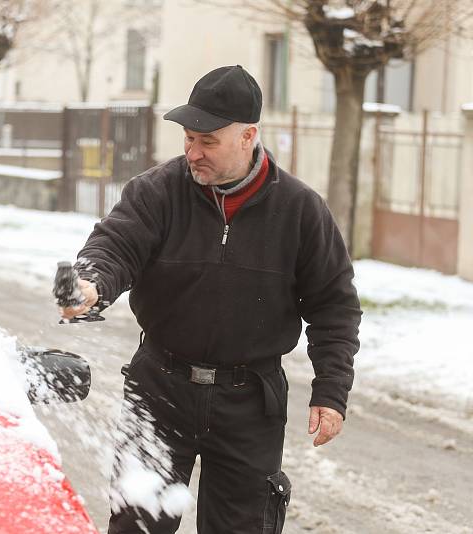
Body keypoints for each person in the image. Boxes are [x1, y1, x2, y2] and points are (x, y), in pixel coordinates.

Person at [58, 65, 362, 534]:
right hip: (160, 388)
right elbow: (115, 246)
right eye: (188, 138)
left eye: (208, 141)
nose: (193, 151)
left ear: (247, 136)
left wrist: (331, 390)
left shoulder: (300, 210)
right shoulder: (156, 192)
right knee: (137, 526)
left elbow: (335, 306)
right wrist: (91, 284)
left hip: (250, 401)